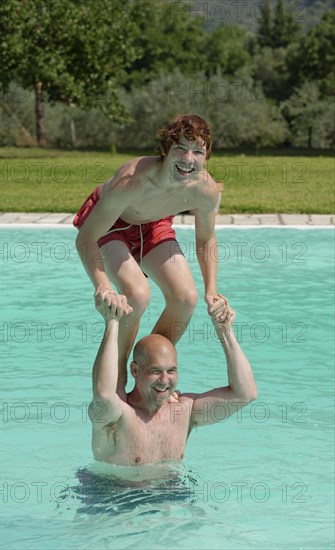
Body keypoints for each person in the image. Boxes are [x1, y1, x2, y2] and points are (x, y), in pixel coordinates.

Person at [75, 114, 225, 399]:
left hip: (154, 225)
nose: (188, 159)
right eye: (180, 148)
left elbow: (206, 238)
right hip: (112, 223)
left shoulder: (205, 190)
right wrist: (102, 285)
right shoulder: (132, 182)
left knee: (185, 298)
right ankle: (116, 380)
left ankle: (149, 373)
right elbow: (86, 238)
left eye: (198, 151)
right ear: (165, 150)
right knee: (137, 294)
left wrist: (212, 290)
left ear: (207, 156)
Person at [89, 285, 258, 467]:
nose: (164, 381)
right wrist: (112, 322)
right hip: (112, 493)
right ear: (135, 371)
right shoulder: (117, 416)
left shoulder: (183, 412)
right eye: (155, 371)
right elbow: (104, 395)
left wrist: (225, 331)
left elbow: (245, 394)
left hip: (172, 492)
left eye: (171, 371)